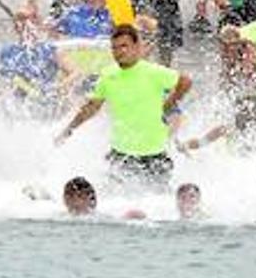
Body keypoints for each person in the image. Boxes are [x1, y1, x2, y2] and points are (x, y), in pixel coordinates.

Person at [55, 25, 193, 187]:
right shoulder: (108, 75)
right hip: (120, 155)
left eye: (124, 46)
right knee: (117, 202)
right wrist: (69, 129)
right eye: (114, 48)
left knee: (155, 203)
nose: (118, 51)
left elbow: (185, 81)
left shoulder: (153, 72)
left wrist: (169, 103)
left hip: (154, 155)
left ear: (136, 47)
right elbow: (92, 107)